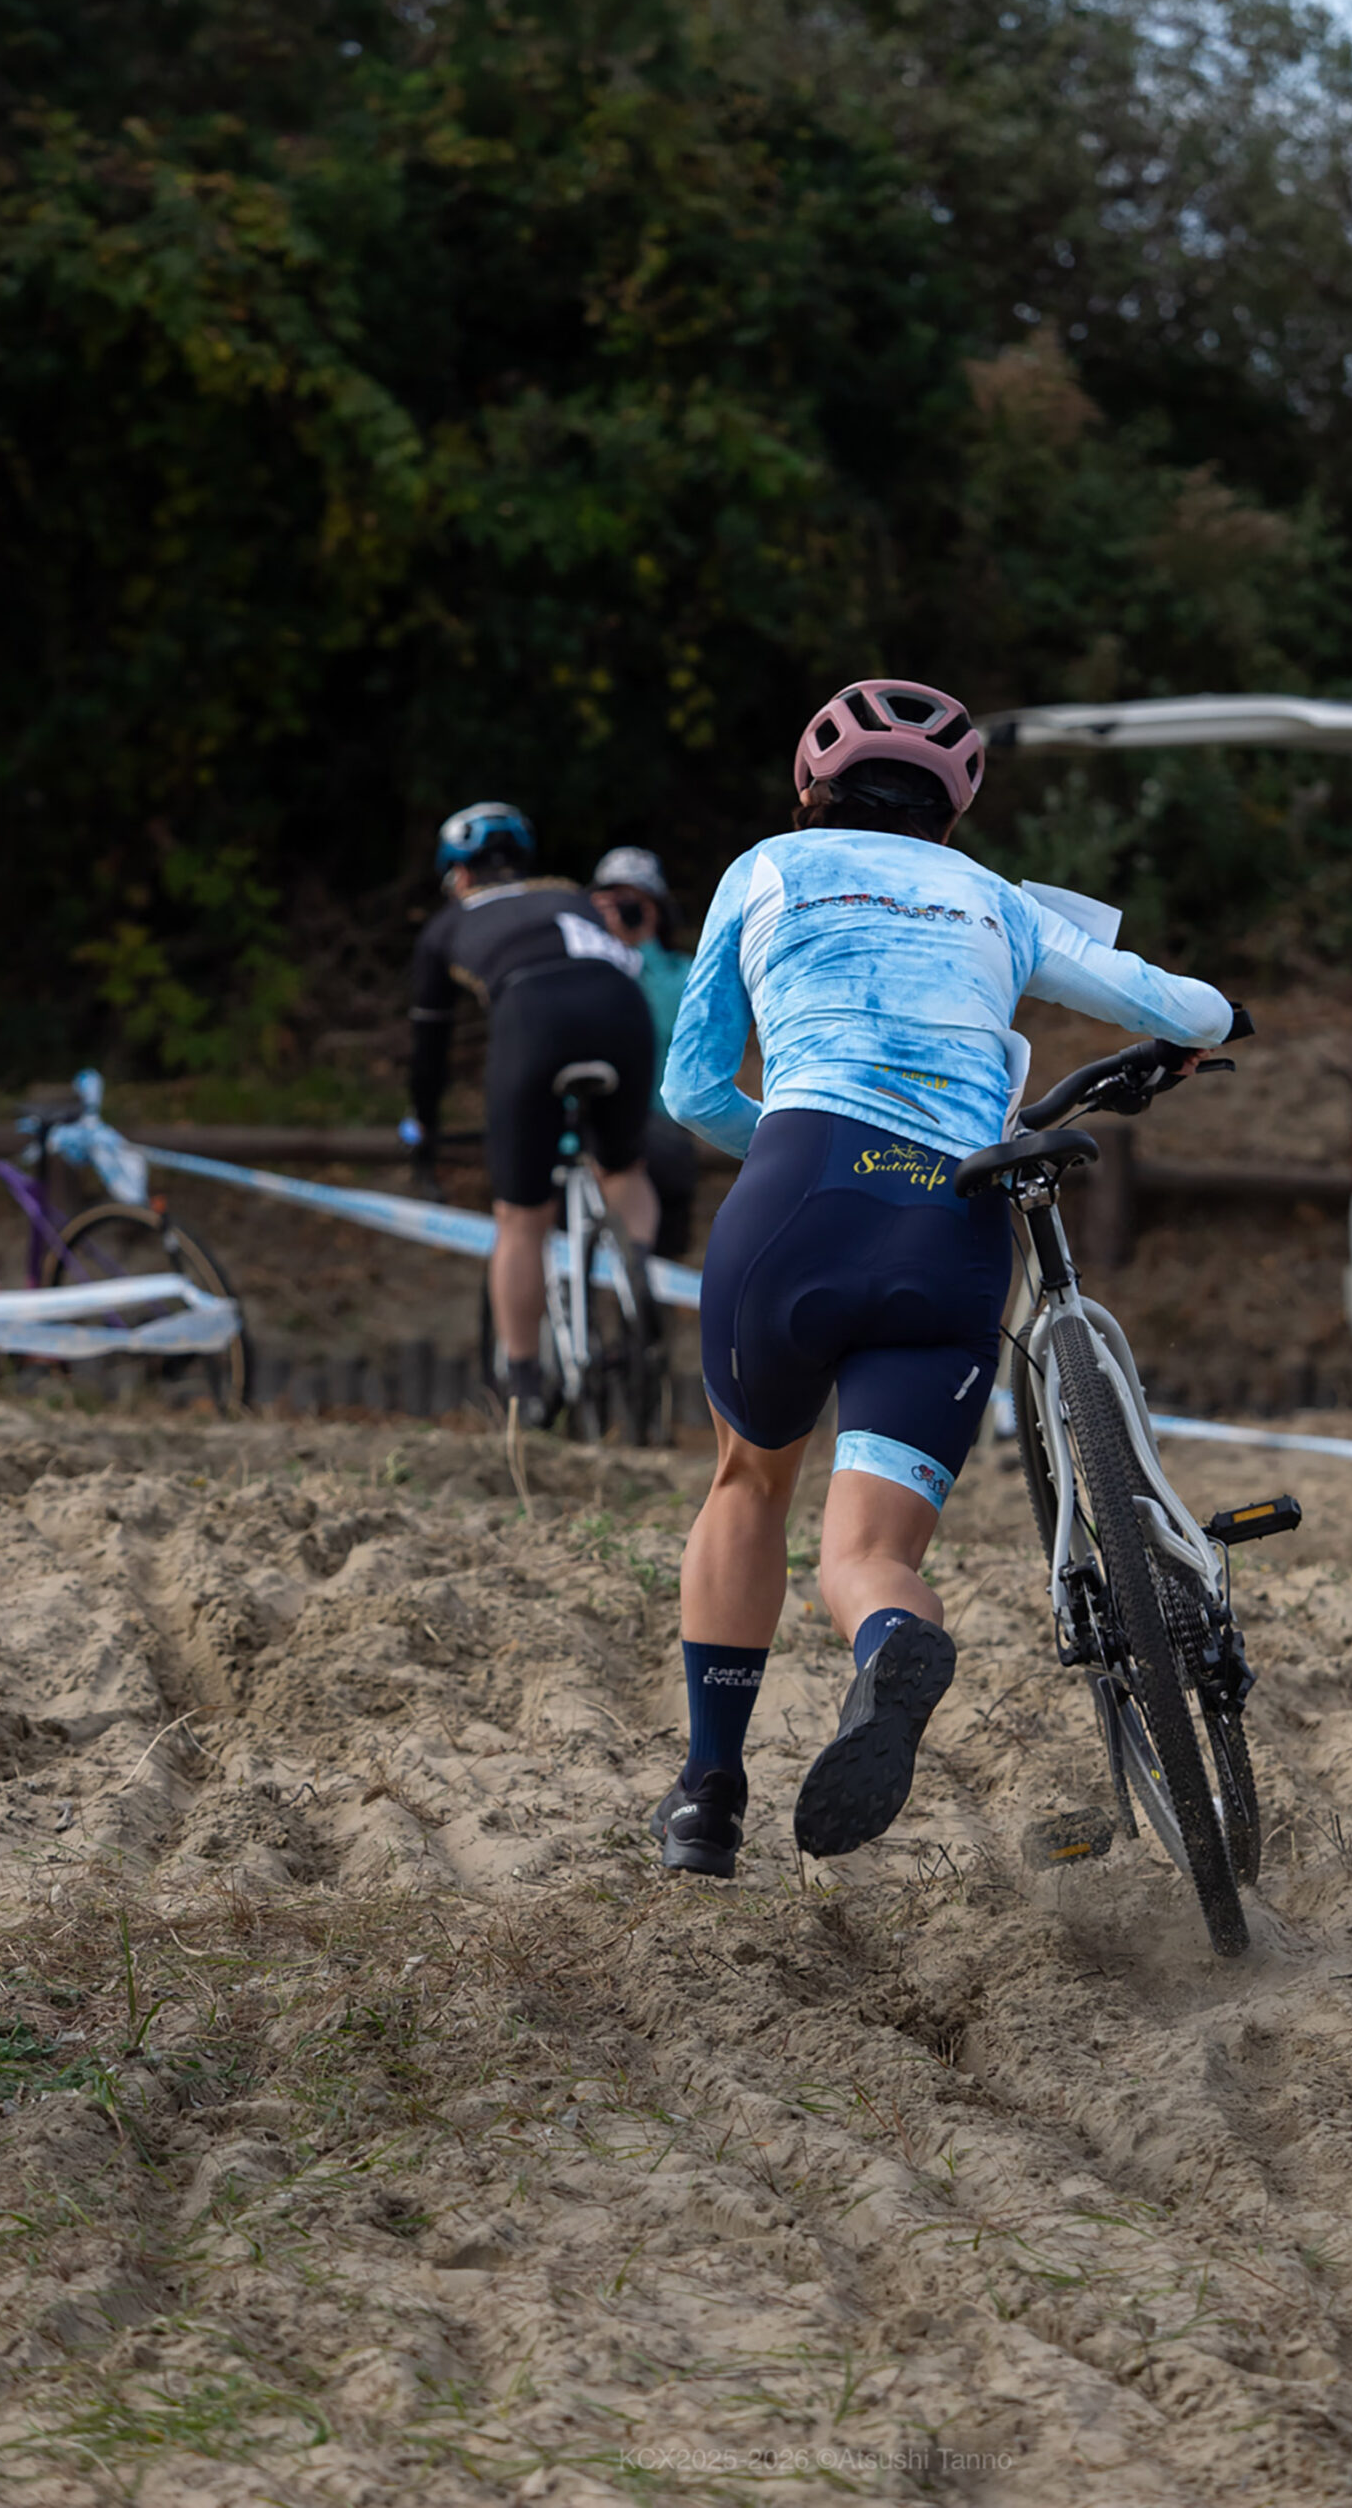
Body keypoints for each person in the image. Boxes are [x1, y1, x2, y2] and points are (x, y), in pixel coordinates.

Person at [652, 679, 1234, 1877]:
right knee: (866, 1554)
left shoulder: (763, 870)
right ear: (952, 813)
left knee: (748, 1482)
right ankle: (886, 1637)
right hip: (950, 1225)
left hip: (797, 1202)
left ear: (808, 788)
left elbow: (690, 1089)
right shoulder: (997, 902)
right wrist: (1199, 1025)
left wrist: (789, 1143)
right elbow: (1191, 1008)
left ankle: (707, 1797)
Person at [407, 803, 658, 1423]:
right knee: (622, 1167)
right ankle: (639, 1296)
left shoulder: (447, 924)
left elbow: (429, 1050)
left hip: (533, 1019)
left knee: (521, 1216)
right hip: (624, 1009)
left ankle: (522, 1384)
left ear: (459, 875)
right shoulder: (568, 894)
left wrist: (424, 1126)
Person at [590, 846, 700, 1259]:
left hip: (658, 1135)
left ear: (654, 909)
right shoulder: (578, 972)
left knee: (659, 1265)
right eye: (605, 901)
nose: (615, 911)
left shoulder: (685, 975)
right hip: (586, 1134)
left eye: (629, 901)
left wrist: (634, 950)